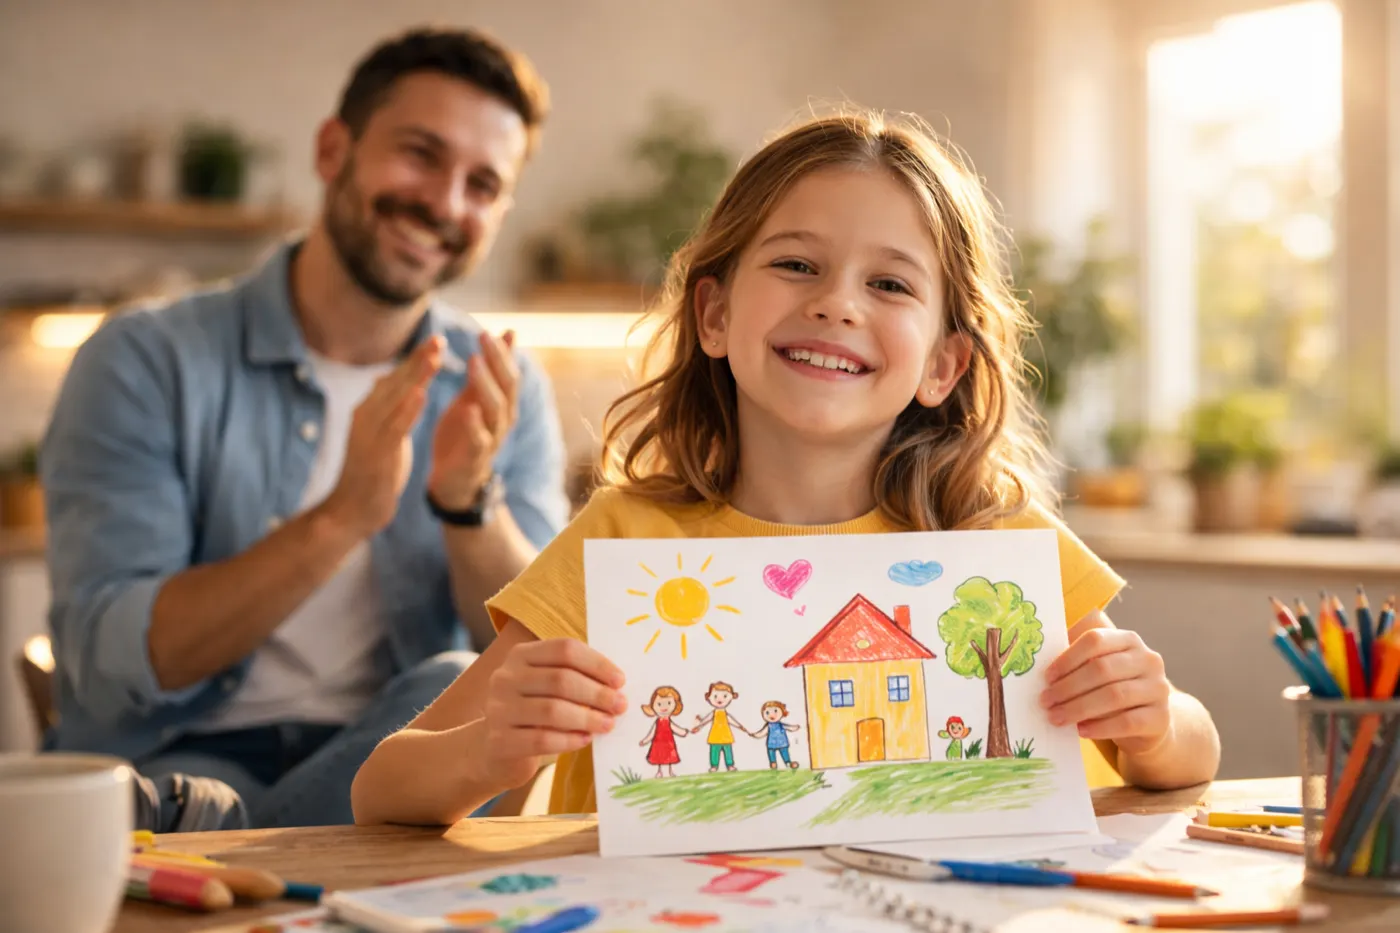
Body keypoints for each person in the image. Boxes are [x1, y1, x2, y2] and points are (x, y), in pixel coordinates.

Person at [348, 109, 1222, 827]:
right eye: (797, 264)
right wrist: (488, 749)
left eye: (890, 285)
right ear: (716, 315)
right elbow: (380, 789)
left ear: (942, 366)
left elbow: (1194, 749)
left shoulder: (1000, 544)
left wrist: (1152, 723)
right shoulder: (620, 542)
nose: (836, 301)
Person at [40, 26, 570, 829]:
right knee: (183, 796)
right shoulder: (143, 358)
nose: (444, 202)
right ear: (333, 150)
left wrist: (468, 502)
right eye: (420, 154)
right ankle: (264, 852)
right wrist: (341, 516)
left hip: (390, 771)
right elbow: (112, 661)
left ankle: (240, 851)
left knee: (462, 683)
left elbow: (529, 659)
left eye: (482, 184)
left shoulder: (503, 384)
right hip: (179, 757)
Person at [693, 681, 747, 772]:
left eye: (725, 696)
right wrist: (698, 726)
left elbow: (731, 720)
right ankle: (714, 766)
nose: (720, 699)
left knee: (728, 751)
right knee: (714, 751)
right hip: (715, 735)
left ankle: (730, 765)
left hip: (726, 735)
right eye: (715, 696)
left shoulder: (725, 713)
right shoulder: (714, 713)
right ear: (709, 697)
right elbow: (706, 720)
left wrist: (740, 726)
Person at [638, 686, 687, 778]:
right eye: (659, 704)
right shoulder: (657, 722)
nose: (664, 707)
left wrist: (683, 732)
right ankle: (659, 771)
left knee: (669, 756)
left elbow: (675, 728)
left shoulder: (668, 721)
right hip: (658, 743)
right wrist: (645, 741)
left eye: (669, 703)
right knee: (659, 756)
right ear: (653, 705)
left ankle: (670, 771)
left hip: (668, 742)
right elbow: (651, 733)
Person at [751, 701, 801, 770]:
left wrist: (794, 727)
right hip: (771, 743)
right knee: (771, 754)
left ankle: (788, 762)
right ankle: (773, 763)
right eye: (767, 713)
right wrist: (755, 735)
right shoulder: (768, 726)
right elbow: (762, 733)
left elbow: (789, 727)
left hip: (782, 743)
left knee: (784, 752)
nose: (772, 715)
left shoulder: (781, 725)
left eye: (775, 711)